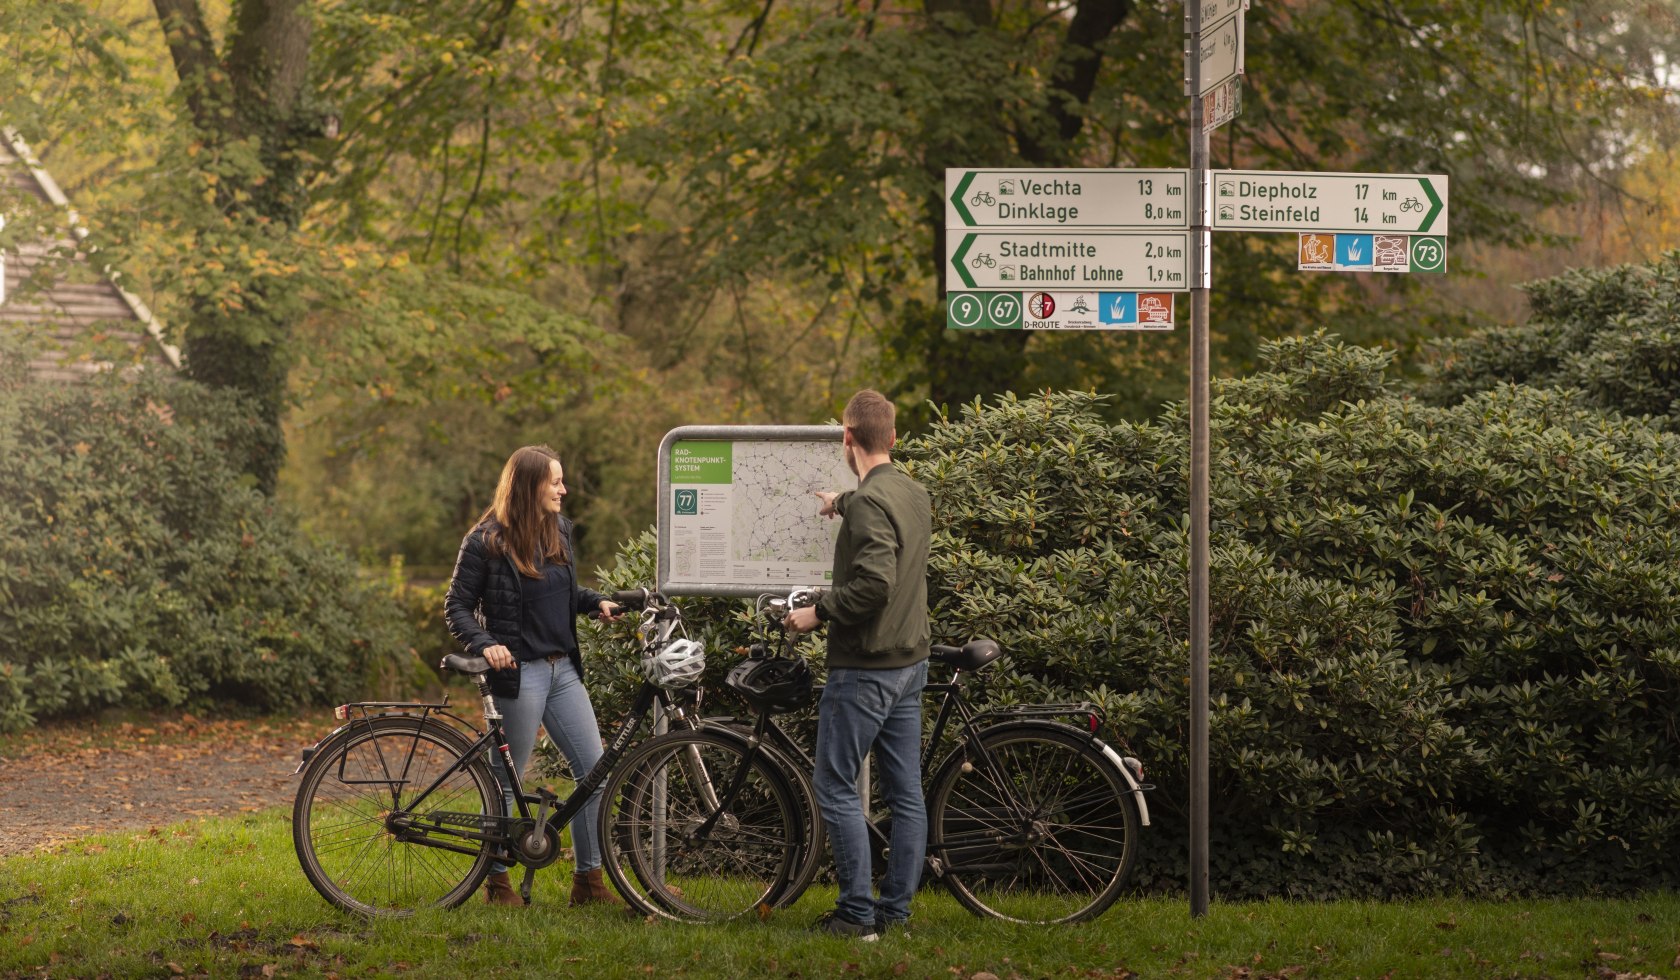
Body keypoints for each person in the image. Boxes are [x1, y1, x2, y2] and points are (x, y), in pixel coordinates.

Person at [444, 445, 623, 908]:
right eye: (556, 481)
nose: (564, 489)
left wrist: (594, 601)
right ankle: (498, 885)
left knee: (593, 774)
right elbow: (456, 607)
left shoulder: (559, 529)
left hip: (562, 670)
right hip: (517, 675)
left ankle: (589, 884)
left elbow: (561, 591)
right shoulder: (485, 540)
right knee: (506, 783)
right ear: (529, 486)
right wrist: (486, 644)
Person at [784, 389, 932, 940]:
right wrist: (840, 501)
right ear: (892, 439)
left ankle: (855, 915)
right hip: (909, 663)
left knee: (835, 785)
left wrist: (817, 614)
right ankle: (894, 914)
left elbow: (874, 581)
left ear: (848, 439)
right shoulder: (912, 493)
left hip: (866, 667)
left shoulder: (870, 502)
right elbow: (877, 509)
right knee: (905, 792)